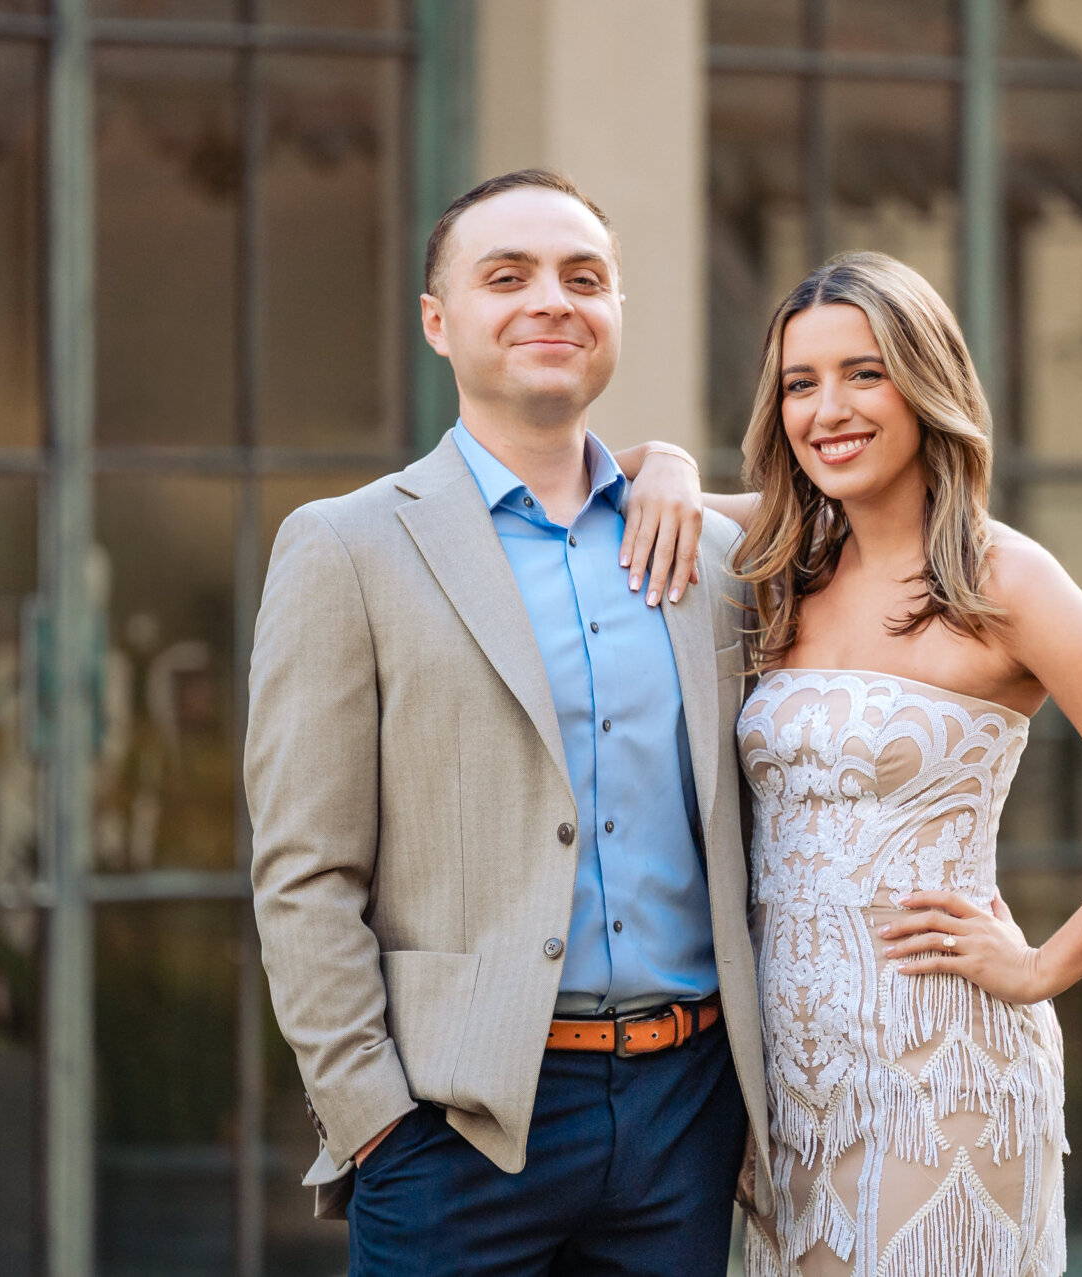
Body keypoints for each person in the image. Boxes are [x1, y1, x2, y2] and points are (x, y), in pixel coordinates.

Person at [618, 250, 1082, 1276]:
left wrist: (1043, 966)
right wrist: (678, 467)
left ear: (925, 385)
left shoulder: (1005, 576)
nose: (829, 409)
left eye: (864, 372)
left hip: (943, 1072)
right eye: (799, 383)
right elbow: (632, 474)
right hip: (790, 1085)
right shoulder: (780, 559)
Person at [245, 168, 771, 1275]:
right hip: (455, 1124)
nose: (552, 299)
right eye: (507, 276)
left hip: (685, 1117)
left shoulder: (711, 558)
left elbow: (886, 519)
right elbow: (304, 869)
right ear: (439, 321)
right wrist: (373, 1117)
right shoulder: (346, 548)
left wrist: (673, 462)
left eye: (585, 278)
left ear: (617, 314)